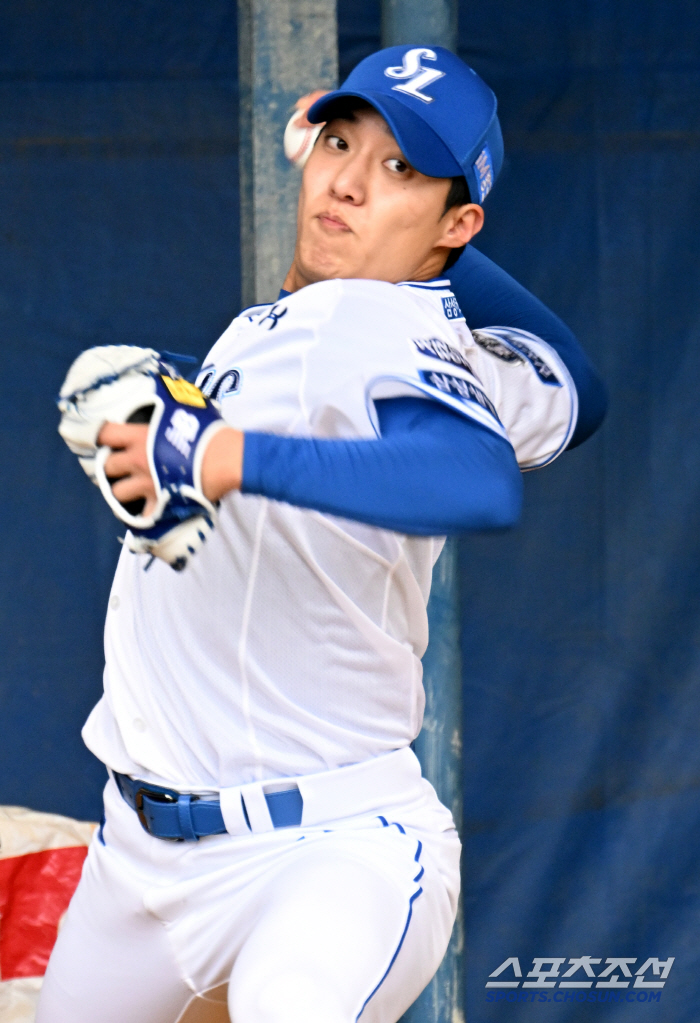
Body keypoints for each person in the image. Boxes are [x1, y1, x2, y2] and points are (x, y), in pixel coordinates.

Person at [38, 46, 605, 1023]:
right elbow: (574, 391)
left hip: (326, 851)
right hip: (141, 863)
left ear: (461, 226)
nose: (346, 180)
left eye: (399, 169)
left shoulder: (373, 325)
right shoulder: (345, 329)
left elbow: (476, 481)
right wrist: (424, 228)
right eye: (339, 143)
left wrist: (226, 457)